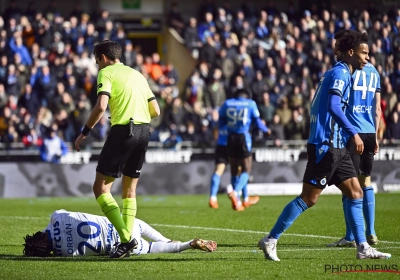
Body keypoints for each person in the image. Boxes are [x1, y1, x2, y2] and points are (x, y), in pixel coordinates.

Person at [258, 31, 391, 261]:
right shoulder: (341, 73)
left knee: (355, 191)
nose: (367, 58)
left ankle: (362, 247)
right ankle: (271, 239)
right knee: (309, 198)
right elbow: (333, 106)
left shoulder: (340, 72)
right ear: (351, 53)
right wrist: (354, 133)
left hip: (336, 145)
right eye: (364, 53)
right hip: (326, 145)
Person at [74, 40, 160, 258]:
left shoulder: (107, 73)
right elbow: (156, 110)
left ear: (103, 58)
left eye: (96, 61)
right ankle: (127, 241)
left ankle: (126, 238)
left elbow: (102, 106)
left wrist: (85, 131)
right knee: (129, 191)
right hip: (144, 131)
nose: (97, 65)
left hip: (124, 131)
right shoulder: (138, 74)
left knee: (101, 189)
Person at [327, 30, 381, 248]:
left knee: (348, 183)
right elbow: (377, 108)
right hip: (369, 131)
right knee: (366, 181)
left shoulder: (349, 70)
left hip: (353, 133)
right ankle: (372, 231)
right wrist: (376, 135)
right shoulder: (375, 72)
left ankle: (350, 236)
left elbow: (339, 104)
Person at [23, 209, 217, 257]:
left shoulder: (63, 253)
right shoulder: (56, 217)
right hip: (124, 225)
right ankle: (172, 240)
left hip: (122, 245)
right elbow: (59, 219)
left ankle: (186, 244)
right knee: (138, 226)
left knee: (150, 249)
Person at [218, 88, 268, 211]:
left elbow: (220, 121)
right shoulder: (250, 104)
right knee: (246, 169)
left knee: (234, 171)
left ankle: (241, 201)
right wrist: (267, 130)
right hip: (243, 137)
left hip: (230, 137)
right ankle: (236, 192)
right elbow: (257, 122)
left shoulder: (227, 103)